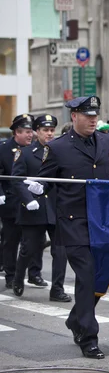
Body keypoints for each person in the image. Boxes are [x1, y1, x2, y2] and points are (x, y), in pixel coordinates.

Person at [26, 96, 109, 359]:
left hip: (106, 223)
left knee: (102, 275)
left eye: (95, 115)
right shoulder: (59, 147)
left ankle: (76, 318)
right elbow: (46, 179)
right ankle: (88, 337)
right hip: (75, 223)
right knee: (86, 275)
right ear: (73, 116)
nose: (92, 119)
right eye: (87, 115)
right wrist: (38, 187)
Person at [11, 115, 71, 302]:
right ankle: (18, 277)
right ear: (37, 132)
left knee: (60, 250)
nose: (49, 133)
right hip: (34, 208)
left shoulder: (59, 151)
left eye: (52, 130)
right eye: (45, 130)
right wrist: (28, 200)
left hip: (56, 207)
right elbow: (17, 179)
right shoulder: (26, 153)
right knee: (30, 248)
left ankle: (57, 289)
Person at [0, 114, 46, 289]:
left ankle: (35, 273)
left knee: (36, 240)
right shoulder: (4, 149)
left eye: (31, 132)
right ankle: (11, 275)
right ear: (16, 133)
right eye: (26, 132)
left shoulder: (38, 149)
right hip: (11, 202)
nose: (30, 135)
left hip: (34, 202)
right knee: (11, 240)